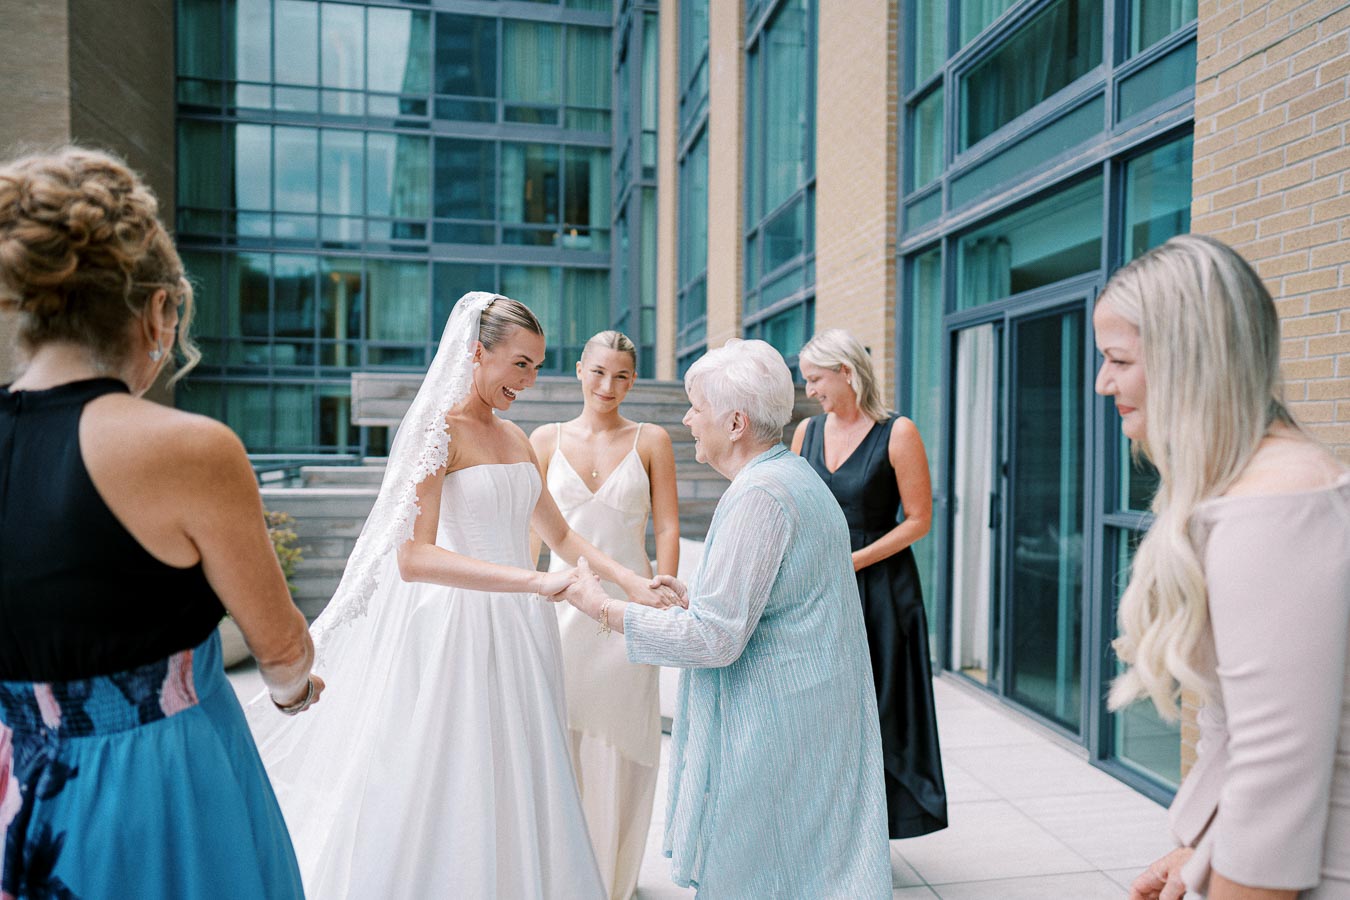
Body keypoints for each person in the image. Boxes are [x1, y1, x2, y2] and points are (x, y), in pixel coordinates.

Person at [248, 293, 677, 899]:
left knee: (527, 781)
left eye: (536, 366)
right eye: (520, 364)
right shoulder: (435, 432)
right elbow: (413, 557)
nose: (529, 381)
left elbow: (562, 534)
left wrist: (634, 581)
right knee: (458, 781)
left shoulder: (517, 439)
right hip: (458, 631)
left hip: (524, 636)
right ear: (477, 353)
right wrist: (534, 581)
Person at [0, 147, 320, 898]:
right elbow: (281, 652)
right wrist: (297, 691)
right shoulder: (185, 449)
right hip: (156, 793)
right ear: (157, 310)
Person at [561, 339, 891, 898]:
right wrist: (698, 594)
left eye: (697, 407)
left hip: (775, 727)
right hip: (804, 716)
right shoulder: (789, 476)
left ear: (735, 423)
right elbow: (771, 599)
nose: (688, 419)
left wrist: (603, 608)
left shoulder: (760, 494)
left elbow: (715, 640)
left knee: (761, 874)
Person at [1094, 235, 1350, 900]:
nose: (1103, 383)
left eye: (1119, 360)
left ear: (1191, 360)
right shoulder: (1249, 490)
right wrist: (1198, 852)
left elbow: (1275, 779)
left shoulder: (1277, 505)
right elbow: (1234, 731)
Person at [528, 330, 679, 900]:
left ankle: (613, 880)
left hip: (629, 615)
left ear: (633, 380)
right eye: (597, 372)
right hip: (562, 613)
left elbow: (666, 524)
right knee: (561, 740)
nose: (607, 386)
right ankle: (564, 875)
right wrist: (524, 600)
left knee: (623, 743)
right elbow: (535, 533)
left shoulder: (651, 439)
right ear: (578, 371)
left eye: (620, 376)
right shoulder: (544, 439)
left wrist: (661, 587)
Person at [791, 328, 948, 839]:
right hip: (821, 587)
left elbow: (918, 520)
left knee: (881, 708)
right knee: (822, 709)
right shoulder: (806, 434)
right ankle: (825, 826)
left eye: (815, 379)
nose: (809, 390)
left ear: (847, 372)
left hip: (883, 589)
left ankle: (872, 831)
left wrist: (856, 560)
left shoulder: (898, 432)